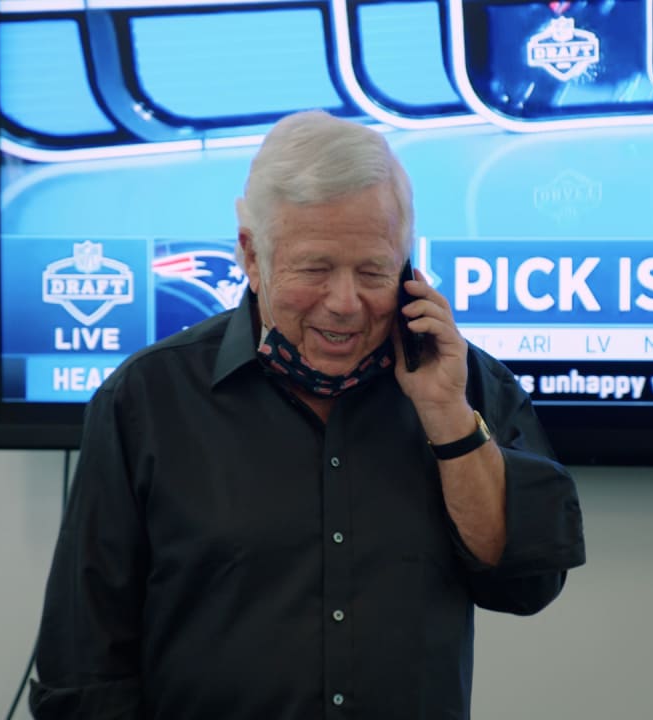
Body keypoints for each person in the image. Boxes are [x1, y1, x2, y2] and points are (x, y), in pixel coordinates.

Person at [29, 110, 585, 719]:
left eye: (374, 271)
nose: (345, 303)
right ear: (251, 255)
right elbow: (81, 669)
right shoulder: (146, 399)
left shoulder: (467, 384)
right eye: (315, 269)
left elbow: (527, 584)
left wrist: (446, 416)